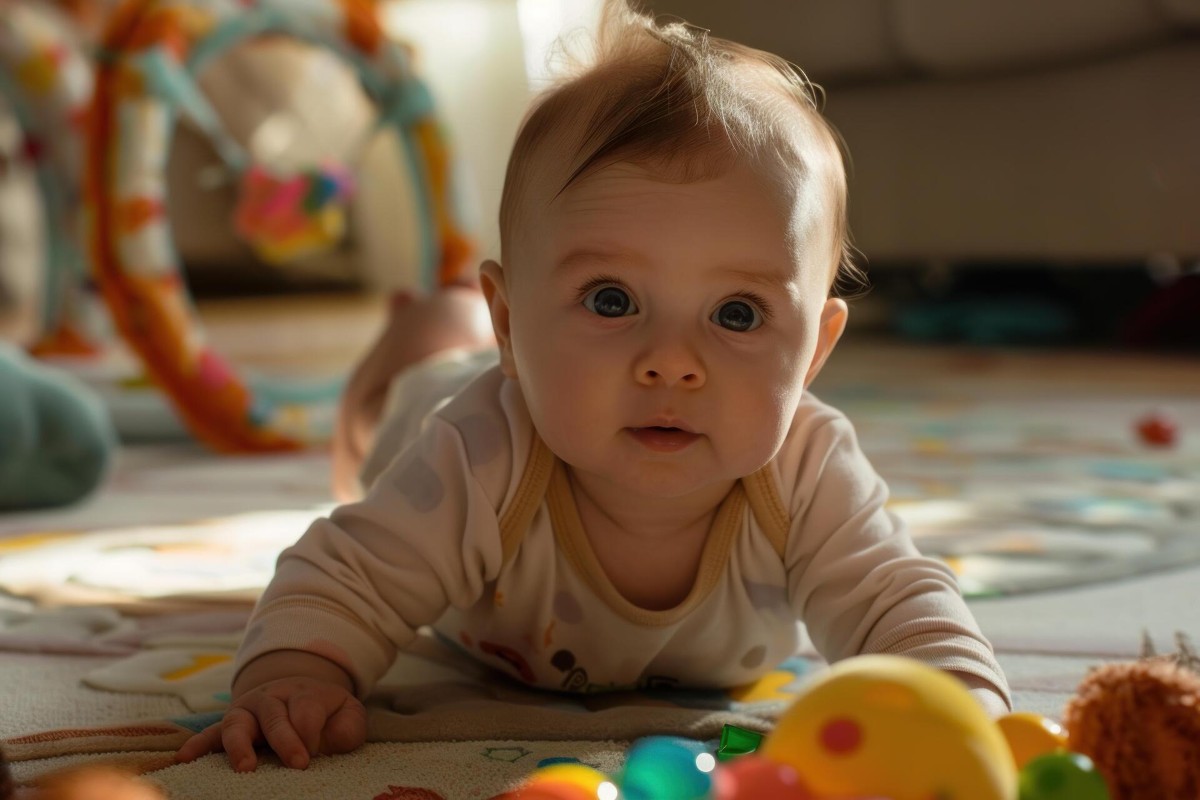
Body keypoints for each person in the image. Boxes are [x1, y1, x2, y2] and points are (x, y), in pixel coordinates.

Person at [177, 0, 1011, 772]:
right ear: (515, 324)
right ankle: (435, 320)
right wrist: (294, 673)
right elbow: (345, 576)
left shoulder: (805, 469)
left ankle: (469, 316)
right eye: (613, 300)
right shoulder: (477, 453)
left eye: (738, 313)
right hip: (432, 408)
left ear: (816, 351)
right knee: (390, 397)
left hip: (520, 359)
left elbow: (896, 600)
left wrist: (966, 706)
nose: (673, 362)